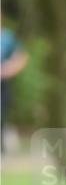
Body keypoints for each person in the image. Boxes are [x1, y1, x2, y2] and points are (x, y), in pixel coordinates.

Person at [1, 15, 28, 154]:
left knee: (2, 115)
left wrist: (8, 70)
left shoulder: (7, 37)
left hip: (2, 86)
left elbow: (21, 58)